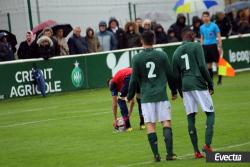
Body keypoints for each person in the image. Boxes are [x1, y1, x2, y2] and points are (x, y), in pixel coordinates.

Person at [127, 30, 177, 162]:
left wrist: (129, 95)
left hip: (146, 97)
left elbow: (133, 80)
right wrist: (174, 91)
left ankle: (156, 155)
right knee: (166, 122)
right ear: (154, 40)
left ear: (141, 41)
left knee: (150, 125)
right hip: (161, 95)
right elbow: (170, 75)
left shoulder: (136, 58)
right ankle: (170, 154)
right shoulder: (162, 55)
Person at [172, 28, 215, 158]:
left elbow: (175, 76)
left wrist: (180, 92)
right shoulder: (196, 46)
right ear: (192, 36)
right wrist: (210, 83)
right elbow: (202, 66)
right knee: (210, 113)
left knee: (190, 116)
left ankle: (196, 151)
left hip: (185, 86)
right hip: (198, 83)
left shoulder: (176, 52)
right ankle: (207, 145)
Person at [200, 11, 222, 85]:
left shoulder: (214, 26)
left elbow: (218, 36)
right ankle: (211, 80)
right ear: (202, 18)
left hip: (213, 45)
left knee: (217, 63)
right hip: (206, 47)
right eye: (204, 16)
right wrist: (202, 45)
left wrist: (220, 45)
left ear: (209, 17)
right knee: (208, 65)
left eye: (206, 16)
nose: (205, 18)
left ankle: (219, 80)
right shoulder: (201, 27)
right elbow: (202, 37)